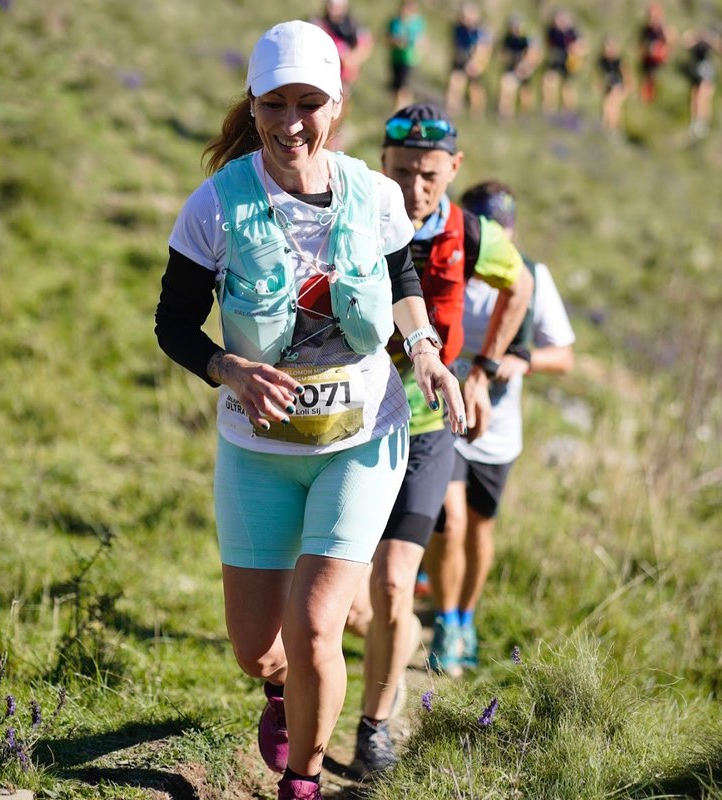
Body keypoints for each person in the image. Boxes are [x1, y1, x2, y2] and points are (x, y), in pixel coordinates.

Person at [154, 21, 466, 800]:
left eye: (309, 104)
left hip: (360, 441)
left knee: (318, 624)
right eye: (274, 104)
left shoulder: (375, 195)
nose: (291, 123)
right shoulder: (214, 207)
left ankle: (304, 782)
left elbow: (402, 283)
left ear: (337, 105)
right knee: (258, 648)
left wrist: (424, 348)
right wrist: (228, 368)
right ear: (252, 104)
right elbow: (173, 324)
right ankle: (278, 689)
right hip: (259, 452)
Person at [345, 104, 534, 776]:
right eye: (401, 172)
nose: (414, 187)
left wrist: (482, 370)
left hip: (425, 432)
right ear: (382, 164)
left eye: (429, 174)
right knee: (347, 599)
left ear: (454, 168)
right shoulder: (356, 215)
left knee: (396, 583)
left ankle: (373, 728)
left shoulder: (473, 234)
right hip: (352, 421)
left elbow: (521, 285)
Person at [422, 180, 575, 676]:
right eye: (489, 227)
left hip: (499, 430)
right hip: (444, 415)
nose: (499, 236)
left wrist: (521, 361)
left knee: (479, 527)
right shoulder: (446, 264)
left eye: (505, 228)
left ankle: (466, 618)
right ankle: (444, 619)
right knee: (449, 519)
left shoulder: (531, 275)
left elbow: (564, 356)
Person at [312, 0, 373, 106]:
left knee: (341, 103)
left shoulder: (352, 25)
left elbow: (365, 43)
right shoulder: (319, 23)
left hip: (344, 75)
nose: (332, 10)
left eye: (335, 6)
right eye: (330, 5)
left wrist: (352, 59)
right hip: (322, 73)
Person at [445, 2, 493, 118]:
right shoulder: (458, 28)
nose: (463, 19)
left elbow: (484, 50)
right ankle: (452, 108)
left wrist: (476, 63)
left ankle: (476, 113)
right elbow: (454, 44)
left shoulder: (481, 31)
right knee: (455, 81)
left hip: (477, 62)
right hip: (461, 59)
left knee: (475, 88)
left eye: (465, 16)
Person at [541, 8, 586, 116]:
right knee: (548, 80)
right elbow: (548, 45)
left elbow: (583, 46)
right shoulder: (551, 31)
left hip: (570, 62)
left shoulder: (573, 31)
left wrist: (574, 50)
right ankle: (549, 108)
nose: (559, 22)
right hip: (557, 60)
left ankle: (569, 111)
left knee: (568, 87)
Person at [497, 14, 541, 119]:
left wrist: (525, 66)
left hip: (526, 68)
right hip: (512, 67)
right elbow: (502, 54)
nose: (515, 29)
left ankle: (525, 114)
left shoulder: (528, 37)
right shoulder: (508, 38)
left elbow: (534, 55)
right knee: (506, 85)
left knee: (525, 91)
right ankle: (505, 112)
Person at [680, 27, 721, 140]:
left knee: (703, 98)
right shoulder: (696, 40)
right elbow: (686, 42)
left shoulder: (710, 43)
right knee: (695, 97)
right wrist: (698, 37)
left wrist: (711, 40)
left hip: (706, 74)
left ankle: (702, 123)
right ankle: (696, 122)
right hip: (696, 73)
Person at [386, 0, 427, 111]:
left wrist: (418, 50)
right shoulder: (395, 22)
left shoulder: (417, 23)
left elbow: (422, 41)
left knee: (403, 88)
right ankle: (399, 110)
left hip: (410, 60)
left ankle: (401, 111)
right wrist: (396, 42)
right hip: (396, 58)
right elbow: (387, 38)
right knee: (396, 88)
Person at [638, 3, 672, 104]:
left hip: (659, 61)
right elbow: (639, 46)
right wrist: (647, 50)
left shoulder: (663, 29)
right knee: (647, 81)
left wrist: (662, 51)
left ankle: (655, 101)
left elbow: (670, 41)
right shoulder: (645, 30)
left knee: (656, 81)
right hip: (648, 61)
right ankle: (646, 102)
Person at [596, 36, 631, 134]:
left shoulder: (618, 61)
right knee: (610, 106)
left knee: (609, 105)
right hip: (609, 86)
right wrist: (599, 83)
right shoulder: (602, 61)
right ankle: (610, 128)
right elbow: (599, 74)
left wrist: (626, 87)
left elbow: (626, 75)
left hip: (618, 86)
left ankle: (612, 127)